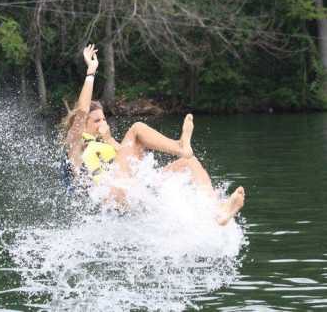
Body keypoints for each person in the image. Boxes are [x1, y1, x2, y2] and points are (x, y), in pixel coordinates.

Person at [62, 44, 245, 225]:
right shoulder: (75, 145)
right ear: (82, 126)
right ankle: (179, 146)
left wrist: (109, 139)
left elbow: (131, 162)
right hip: (109, 199)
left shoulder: (105, 144)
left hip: (132, 192)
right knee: (137, 129)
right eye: (97, 121)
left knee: (189, 162)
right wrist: (91, 72)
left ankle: (218, 210)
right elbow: (82, 110)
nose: (103, 124)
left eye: (104, 119)